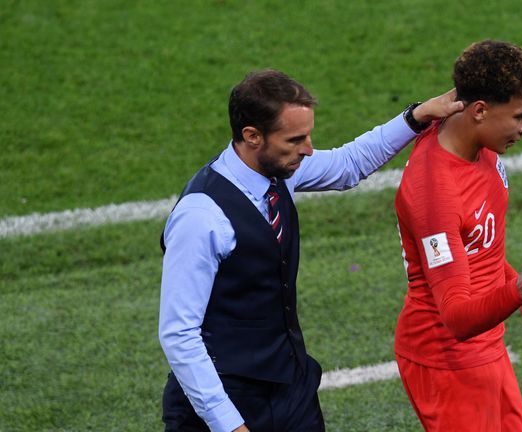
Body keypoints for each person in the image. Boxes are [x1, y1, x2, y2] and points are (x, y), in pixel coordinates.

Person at [158, 69, 464, 432]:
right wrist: (228, 423)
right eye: (295, 139)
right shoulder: (201, 217)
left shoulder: (280, 170)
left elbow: (349, 165)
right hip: (224, 403)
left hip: (291, 391)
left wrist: (414, 118)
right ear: (252, 136)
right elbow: (178, 332)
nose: (308, 149)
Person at [393, 40, 522, 431]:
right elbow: (456, 318)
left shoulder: (481, 144)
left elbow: (480, 251)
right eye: (520, 116)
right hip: (447, 360)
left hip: (486, 343)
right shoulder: (435, 193)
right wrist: (520, 292)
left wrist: (519, 296)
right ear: (479, 111)